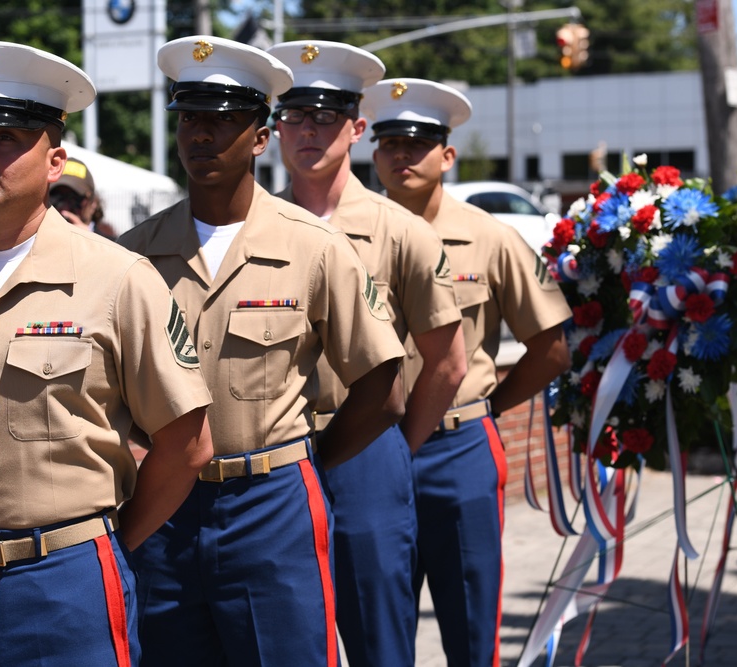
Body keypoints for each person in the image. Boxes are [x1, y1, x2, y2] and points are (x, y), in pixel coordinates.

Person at [0, 40, 214, 667]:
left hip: (68, 584)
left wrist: (105, 544)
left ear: (55, 159)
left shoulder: (120, 278)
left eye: (6, 137)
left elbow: (188, 444)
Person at [119, 35, 407, 667]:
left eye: (223, 120)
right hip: (166, 506)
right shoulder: (133, 255)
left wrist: (308, 463)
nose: (202, 134)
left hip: (271, 506)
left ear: (259, 136)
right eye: (191, 117)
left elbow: (384, 383)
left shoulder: (316, 246)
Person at [267, 41, 468, 667]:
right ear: (274, 128)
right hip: (274, 456)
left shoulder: (401, 230)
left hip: (365, 453)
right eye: (295, 116)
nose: (307, 131)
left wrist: (396, 451)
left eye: (324, 116)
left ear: (356, 127)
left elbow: (447, 361)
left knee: (378, 638)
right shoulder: (254, 228)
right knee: (280, 633)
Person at [362, 77, 572, 667]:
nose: (402, 155)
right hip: (371, 448)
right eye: (389, 142)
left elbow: (552, 348)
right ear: (373, 152)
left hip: (456, 451)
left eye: (418, 142)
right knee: (378, 628)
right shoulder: (343, 240)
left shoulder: (492, 238)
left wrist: (491, 409)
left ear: (447, 155)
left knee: (472, 625)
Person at [49, 157, 117, 240]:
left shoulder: (112, 246)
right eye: (57, 197)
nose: (65, 209)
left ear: (93, 203)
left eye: (75, 199)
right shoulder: (39, 241)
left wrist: (90, 242)